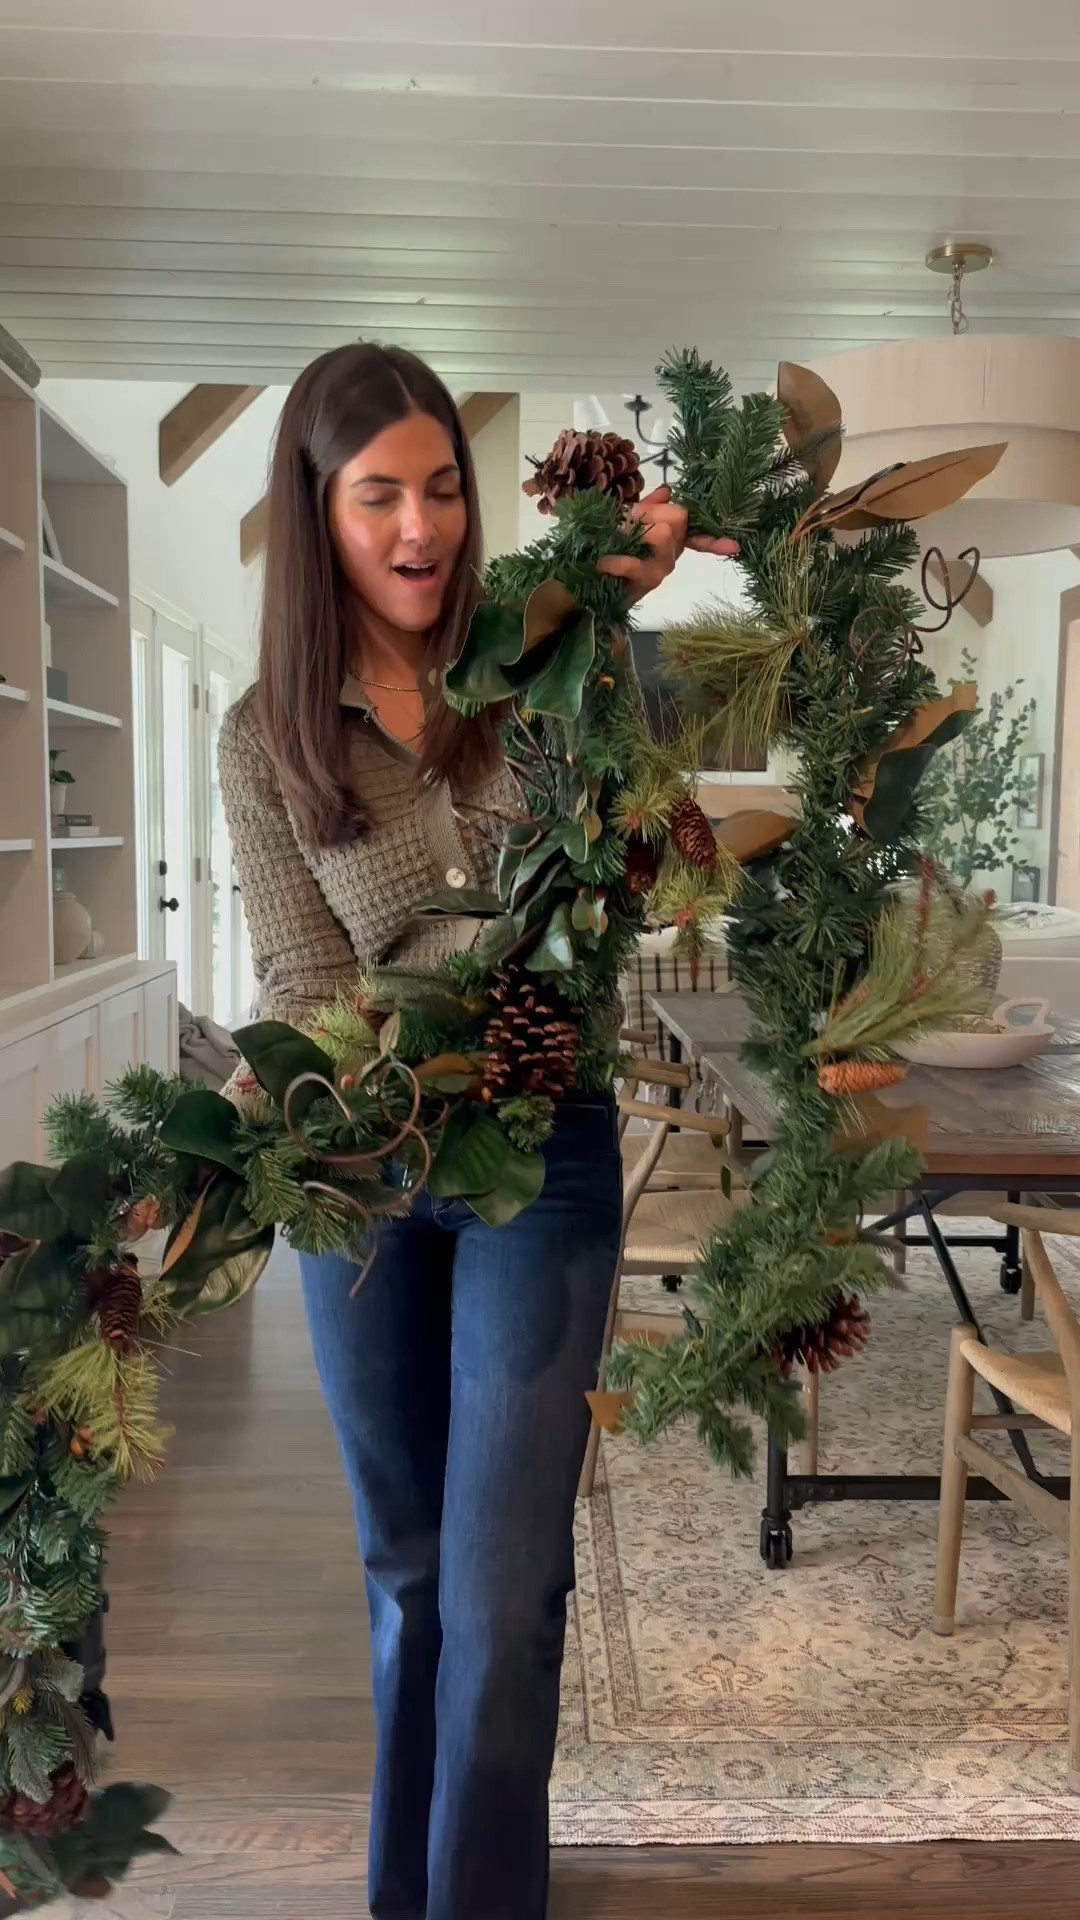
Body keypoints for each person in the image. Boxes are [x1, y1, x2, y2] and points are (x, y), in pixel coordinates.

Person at [218, 343, 725, 1920]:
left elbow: (618, 891)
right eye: (380, 496)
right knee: (409, 1580)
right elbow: (312, 990)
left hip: (544, 1157)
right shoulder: (264, 737)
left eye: (443, 488)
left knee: (507, 1601)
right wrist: (482, 959)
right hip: (365, 1186)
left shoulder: (541, 668)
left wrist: (622, 609)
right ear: (320, 514)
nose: (421, 526)